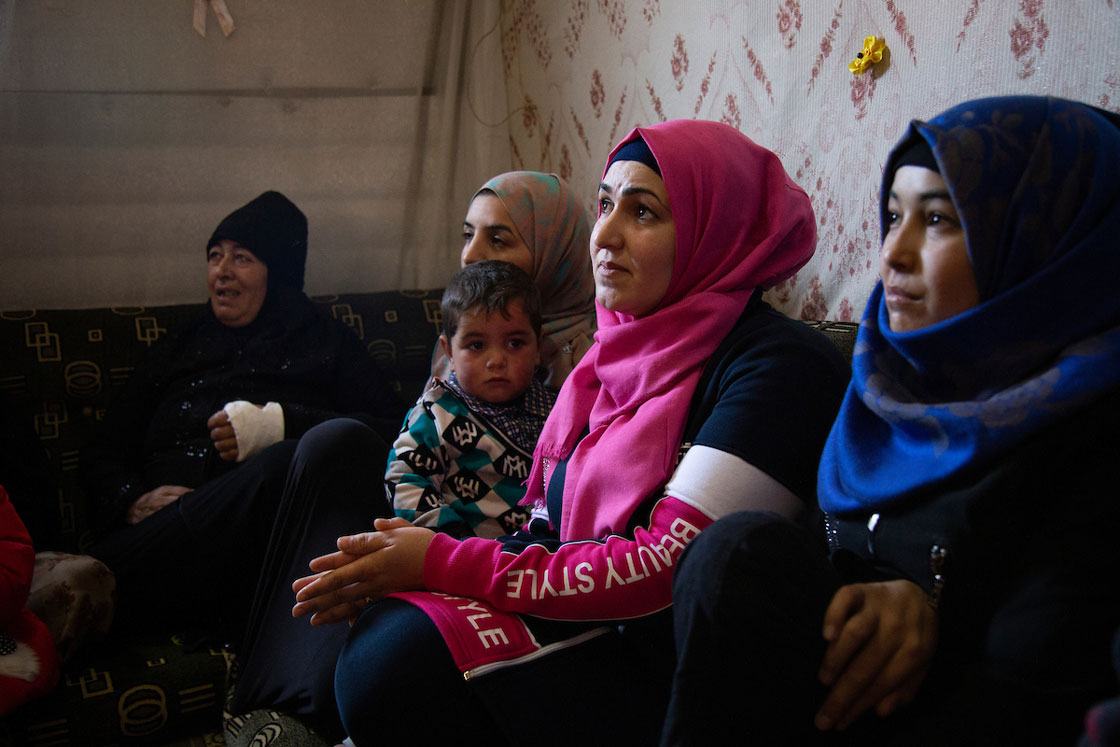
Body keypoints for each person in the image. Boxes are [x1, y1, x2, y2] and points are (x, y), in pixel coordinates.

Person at [292, 119, 850, 745]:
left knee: (394, 665)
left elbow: (668, 567)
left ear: (713, 231)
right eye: (606, 204)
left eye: (643, 212)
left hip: (662, 659)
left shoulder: (778, 367)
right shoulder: (608, 357)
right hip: (585, 611)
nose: (605, 234)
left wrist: (444, 561)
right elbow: (544, 524)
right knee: (380, 626)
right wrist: (421, 551)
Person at [661, 95, 1120, 746]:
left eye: (937, 219)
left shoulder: (1092, 419)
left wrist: (937, 610)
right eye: (893, 216)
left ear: (1041, 236)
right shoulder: (884, 386)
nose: (892, 254)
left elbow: (1047, 667)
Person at [81, 190, 401, 632]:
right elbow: (104, 448)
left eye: (243, 258)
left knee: (280, 463)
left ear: (280, 273)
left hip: (257, 549)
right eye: (215, 256)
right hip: (159, 546)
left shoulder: (326, 343)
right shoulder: (181, 343)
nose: (222, 273)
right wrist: (132, 500)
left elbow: (395, 434)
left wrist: (282, 423)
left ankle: (82, 581)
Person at [390, 260, 556, 539]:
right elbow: (405, 480)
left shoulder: (558, 411)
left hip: (540, 559)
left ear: (539, 346)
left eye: (515, 343)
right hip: (458, 558)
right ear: (449, 352)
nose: (496, 361)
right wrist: (451, 539)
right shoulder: (436, 414)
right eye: (476, 345)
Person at [432, 171, 596, 391]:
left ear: (555, 252)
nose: (469, 256)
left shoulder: (591, 360)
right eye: (468, 235)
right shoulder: (464, 329)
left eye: (497, 240)